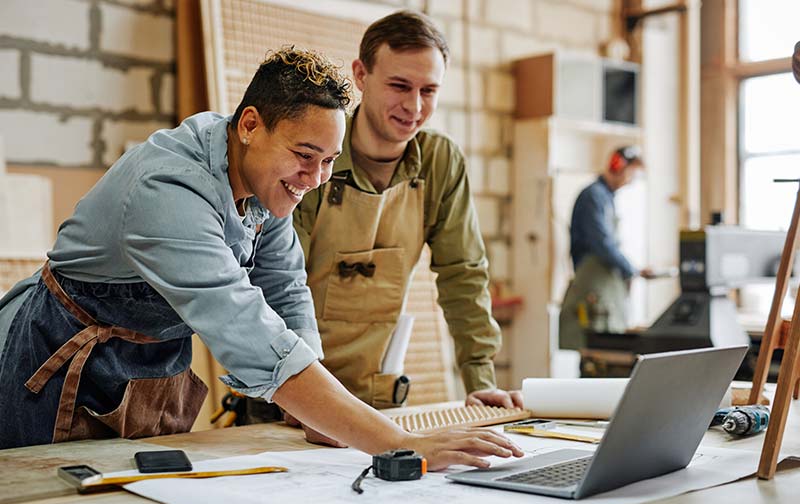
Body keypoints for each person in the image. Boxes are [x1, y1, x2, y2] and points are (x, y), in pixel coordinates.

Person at [0, 47, 523, 469]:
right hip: (62, 365)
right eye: (303, 156)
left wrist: (320, 409)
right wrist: (397, 442)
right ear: (251, 124)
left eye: (328, 161)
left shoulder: (258, 177)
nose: (316, 179)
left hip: (147, 371)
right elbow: (247, 328)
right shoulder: (169, 190)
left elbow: (286, 286)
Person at [243, 11, 521, 442]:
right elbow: (277, 281)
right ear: (361, 75)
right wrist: (297, 393)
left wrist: (480, 378)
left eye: (429, 91)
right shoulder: (314, 155)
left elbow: (463, 273)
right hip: (286, 399)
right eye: (399, 86)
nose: (414, 107)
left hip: (378, 400)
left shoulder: (439, 162)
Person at [558, 145, 654, 351]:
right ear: (618, 166)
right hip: (592, 287)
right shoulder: (594, 196)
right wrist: (631, 269)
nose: (631, 181)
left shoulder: (606, 197)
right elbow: (602, 244)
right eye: (631, 174)